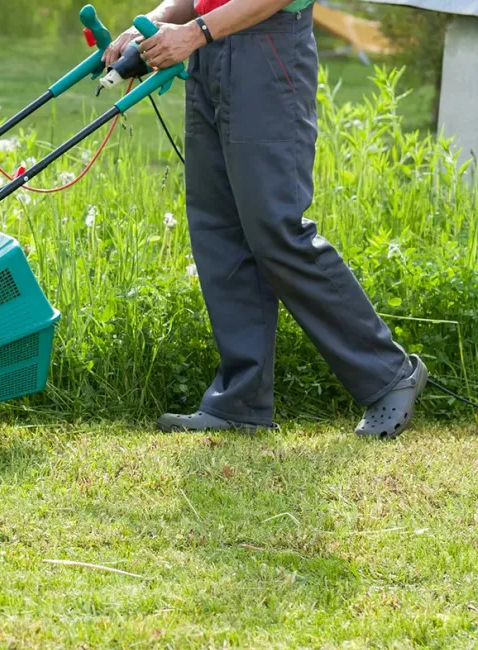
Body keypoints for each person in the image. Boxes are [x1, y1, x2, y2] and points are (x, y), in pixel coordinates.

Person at [104, 0, 427, 438]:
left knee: (275, 228)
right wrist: (160, 22)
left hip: (267, 45)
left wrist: (195, 31)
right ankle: (240, 403)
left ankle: (388, 375)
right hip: (208, 49)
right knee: (219, 230)